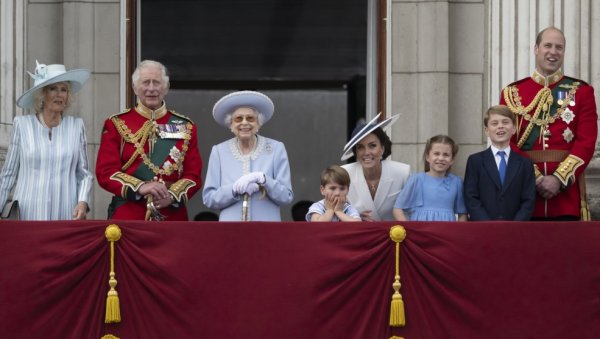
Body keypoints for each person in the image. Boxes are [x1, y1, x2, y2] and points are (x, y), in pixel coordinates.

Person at [500, 26, 598, 220]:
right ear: (536, 49)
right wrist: (535, 178)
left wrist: (559, 179)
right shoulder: (512, 93)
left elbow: (586, 142)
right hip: (525, 196)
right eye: (548, 46)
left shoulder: (581, 92)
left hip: (566, 196)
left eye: (559, 47)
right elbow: (505, 141)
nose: (553, 52)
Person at [96, 60, 202, 221]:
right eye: (146, 82)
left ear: (166, 88)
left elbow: (193, 175)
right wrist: (141, 187)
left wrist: (172, 196)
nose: (151, 88)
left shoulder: (186, 126)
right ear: (134, 87)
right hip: (129, 214)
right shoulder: (116, 124)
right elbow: (106, 172)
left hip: (172, 215)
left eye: (157, 83)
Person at [0, 61, 93, 220]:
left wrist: (82, 202)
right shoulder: (22, 125)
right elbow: (8, 174)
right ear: (42, 94)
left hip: (66, 214)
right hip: (28, 214)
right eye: (53, 88)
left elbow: (84, 174)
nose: (59, 94)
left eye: (64, 90)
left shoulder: (76, 126)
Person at [202, 91, 293, 221]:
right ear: (231, 124)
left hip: (267, 229)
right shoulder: (219, 151)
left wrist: (264, 180)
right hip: (231, 230)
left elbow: (286, 196)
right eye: (238, 119)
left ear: (258, 123)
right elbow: (209, 199)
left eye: (250, 118)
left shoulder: (276, 148)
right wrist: (233, 189)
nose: (244, 123)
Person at [463, 105, 536, 221]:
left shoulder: (525, 163)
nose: (500, 126)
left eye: (505, 122)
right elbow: (471, 197)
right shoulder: (475, 161)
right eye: (494, 123)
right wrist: (488, 225)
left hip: (515, 229)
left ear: (513, 129)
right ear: (487, 130)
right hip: (483, 229)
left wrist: (515, 225)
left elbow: (528, 199)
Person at [341, 113, 410, 221]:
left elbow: (412, 211)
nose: (366, 152)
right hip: (358, 235)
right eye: (360, 147)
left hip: (394, 235)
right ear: (355, 152)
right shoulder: (344, 174)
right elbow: (334, 212)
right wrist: (355, 218)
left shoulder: (402, 172)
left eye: (372, 146)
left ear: (382, 148)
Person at [393, 135, 467, 221]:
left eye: (446, 155)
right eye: (436, 154)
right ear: (427, 157)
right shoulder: (416, 180)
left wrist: (457, 233)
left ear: (452, 160)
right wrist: (409, 230)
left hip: (447, 232)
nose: (441, 158)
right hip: (420, 231)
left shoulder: (457, 182)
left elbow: (463, 213)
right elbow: (397, 209)